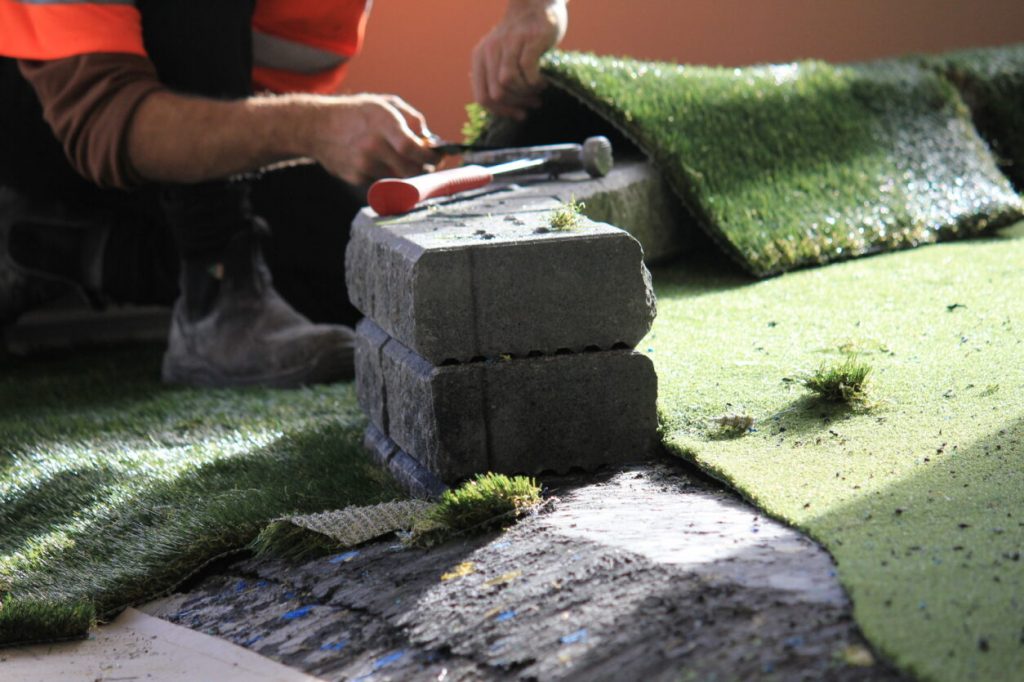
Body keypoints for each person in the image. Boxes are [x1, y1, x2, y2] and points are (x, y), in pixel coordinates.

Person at [0, 0, 568, 386]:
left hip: (204, 139)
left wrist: (534, 10)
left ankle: (55, 248)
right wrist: (313, 129)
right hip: (40, 123)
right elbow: (106, 124)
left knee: (356, 281)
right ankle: (218, 301)